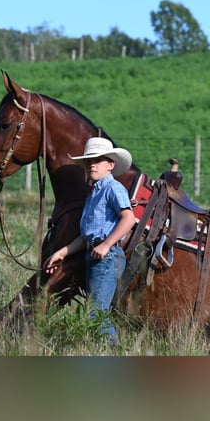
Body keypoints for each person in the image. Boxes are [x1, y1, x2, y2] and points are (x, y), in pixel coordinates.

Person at [44, 137, 136, 346]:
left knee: (96, 313)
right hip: (94, 254)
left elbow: (128, 218)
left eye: (98, 160)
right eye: (89, 161)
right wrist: (63, 252)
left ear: (111, 165)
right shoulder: (94, 193)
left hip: (107, 256)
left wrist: (106, 245)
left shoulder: (113, 188)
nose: (92, 164)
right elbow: (87, 235)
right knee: (94, 310)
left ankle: (112, 352)